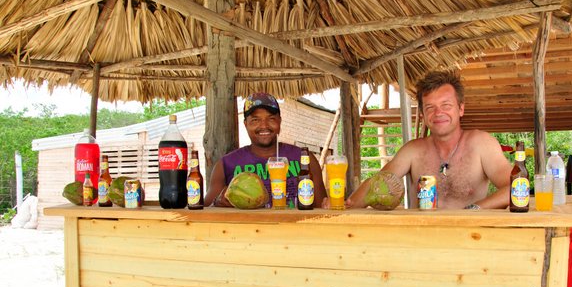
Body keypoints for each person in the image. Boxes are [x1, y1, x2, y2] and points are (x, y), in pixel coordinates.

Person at [348, 70, 512, 209]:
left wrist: (475, 209)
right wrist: (349, 204)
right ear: (422, 114)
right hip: (420, 234)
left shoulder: (481, 143)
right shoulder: (413, 151)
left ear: (461, 109)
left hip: (469, 234)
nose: (438, 113)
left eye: (446, 105)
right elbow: (375, 184)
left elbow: (517, 187)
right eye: (430, 107)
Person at [205, 92, 327, 208]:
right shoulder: (226, 164)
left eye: (271, 119)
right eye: (255, 120)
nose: (264, 126)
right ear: (246, 124)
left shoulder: (304, 159)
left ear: (279, 121)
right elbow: (205, 211)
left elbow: (322, 208)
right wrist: (218, 201)